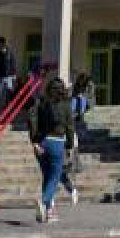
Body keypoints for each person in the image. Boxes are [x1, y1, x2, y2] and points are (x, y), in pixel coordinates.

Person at [29, 75, 75, 223]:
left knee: (47, 177)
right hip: (57, 142)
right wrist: (69, 145)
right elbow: (70, 127)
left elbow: (32, 119)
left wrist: (35, 142)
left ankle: (48, 213)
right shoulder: (66, 105)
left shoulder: (41, 103)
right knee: (54, 177)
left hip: (41, 143)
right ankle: (44, 201)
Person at [0, 38, 16, 112]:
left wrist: (13, 75)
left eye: (1, 43)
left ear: (4, 43)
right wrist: (0, 53)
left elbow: (12, 63)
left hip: (8, 76)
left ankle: (7, 109)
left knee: (9, 92)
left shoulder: (9, 53)